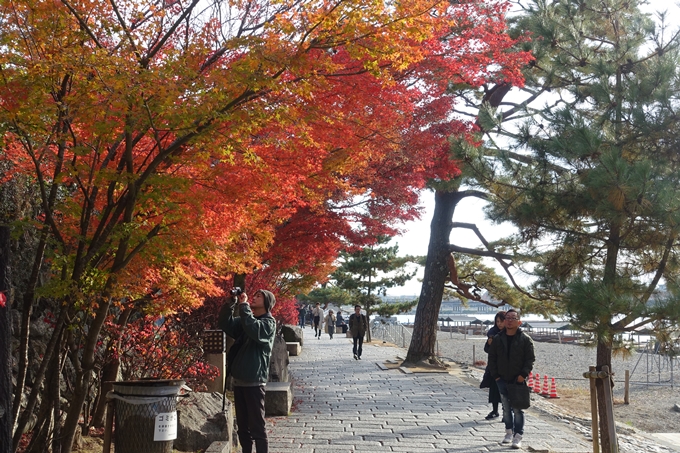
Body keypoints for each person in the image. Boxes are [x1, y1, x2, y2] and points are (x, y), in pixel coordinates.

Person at [218, 289, 277, 453]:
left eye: (260, 296)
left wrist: (244, 306)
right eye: (255, 295)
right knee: (243, 427)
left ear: (267, 303)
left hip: (254, 381)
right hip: (239, 381)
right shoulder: (246, 320)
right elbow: (225, 323)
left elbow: (254, 330)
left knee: (257, 426)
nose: (255, 297)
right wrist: (231, 303)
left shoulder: (268, 323)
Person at [488, 309, 535, 450]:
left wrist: (523, 375)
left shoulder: (525, 339)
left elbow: (530, 359)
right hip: (501, 379)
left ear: (519, 322)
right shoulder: (498, 338)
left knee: (518, 409)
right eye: (507, 318)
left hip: (518, 379)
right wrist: (496, 375)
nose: (509, 320)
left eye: (513, 318)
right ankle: (508, 432)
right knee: (506, 408)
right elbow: (492, 358)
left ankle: (518, 435)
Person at [482, 311, 506, 420]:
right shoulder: (492, 333)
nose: (500, 324)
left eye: (502, 321)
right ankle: (495, 410)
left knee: (506, 391)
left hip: (506, 366)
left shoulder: (510, 333)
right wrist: (489, 344)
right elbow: (487, 349)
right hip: (494, 366)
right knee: (494, 389)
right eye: (498, 321)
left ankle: (506, 412)